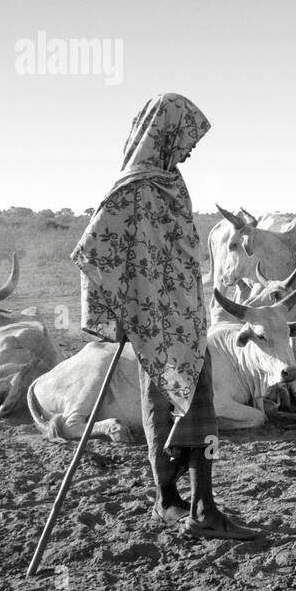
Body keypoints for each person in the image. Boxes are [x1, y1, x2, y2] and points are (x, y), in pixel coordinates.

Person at [71, 93, 258, 540]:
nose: (191, 147)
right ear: (165, 132)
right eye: (187, 136)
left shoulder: (167, 181)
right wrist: (119, 309)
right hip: (158, 324)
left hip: (185, 320)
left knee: (178, 406)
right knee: (186, 406)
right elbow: (91, 251)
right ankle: (198, 507)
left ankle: (175, 500)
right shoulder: (131, 189)